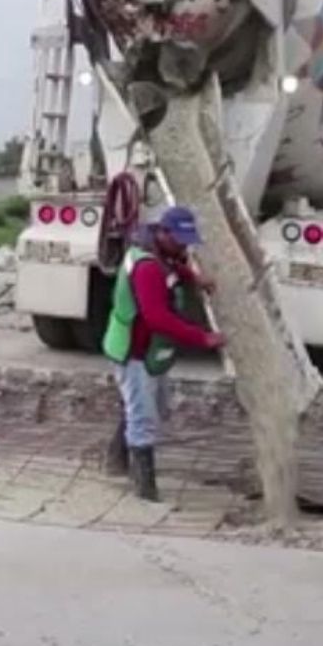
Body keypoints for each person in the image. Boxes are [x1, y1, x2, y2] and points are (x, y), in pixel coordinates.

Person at [101, 205, 226, 502]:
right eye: (179, 240)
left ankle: (116, 459)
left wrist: (194, 277)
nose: (184, 246)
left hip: (147, 349)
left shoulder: (157, 254)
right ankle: (145, 490)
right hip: (133, 350)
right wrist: (202, 338)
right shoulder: (147, 268)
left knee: (150, 406)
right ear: (162, 232)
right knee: (143, 416)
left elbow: (172, 268)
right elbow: (158, 318)